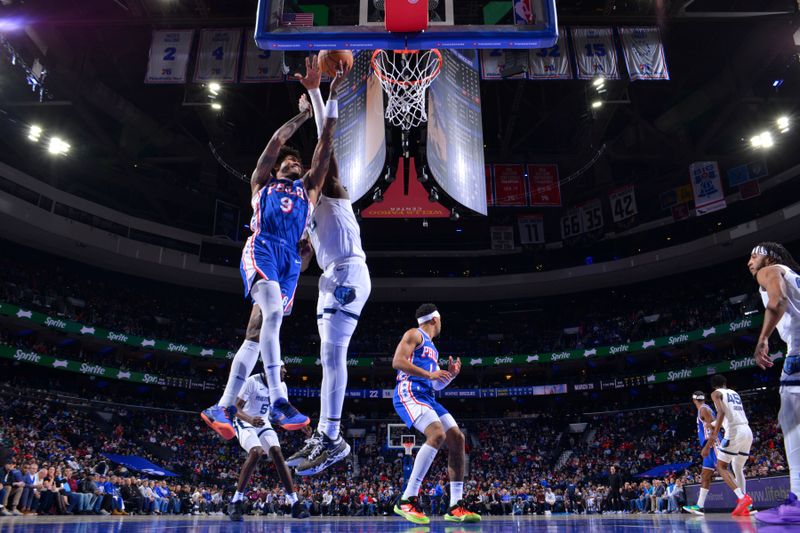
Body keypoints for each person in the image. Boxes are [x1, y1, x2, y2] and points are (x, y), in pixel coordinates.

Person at [201, 65, 347, 439]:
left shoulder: (308, 189)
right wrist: (301, 114)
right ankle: (280, 398)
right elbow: (275, 143)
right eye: (290, 163)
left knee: (255, 332)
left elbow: (324, 149)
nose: (295, 164)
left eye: (298, 163)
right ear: (278, 168)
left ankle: (223, 404)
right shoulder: (261, 183)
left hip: (290, 262)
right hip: (263, 247)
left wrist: (328, 101)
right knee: (271, 316)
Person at [288, 55, 372, 477]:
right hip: (331, 276)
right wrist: (295, 253)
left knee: (333, 355)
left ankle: (332, 437)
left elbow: (327, 143)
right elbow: (302, 266)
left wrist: (320, 91)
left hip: (348, 272)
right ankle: (328, 435)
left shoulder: (333, 190)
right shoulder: (303, 214)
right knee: (328, 356)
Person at [390, 304, 480, 525]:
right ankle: (407, 499)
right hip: (409, 391)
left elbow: (436, 385)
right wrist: (430, 374)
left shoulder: (433, 348)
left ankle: (455, 506)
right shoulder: (414, 333)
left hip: (428, 396)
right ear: (435, 320)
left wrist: (449, 376)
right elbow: (398, 362)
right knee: (437, 435)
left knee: (457, 439)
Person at [747, 242, 800, 525]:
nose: (750, 263)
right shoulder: (793, 274)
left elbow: (776, 301)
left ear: (767, 256)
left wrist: (763, 338)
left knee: (793, 427)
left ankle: (799, 500)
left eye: (753, 256)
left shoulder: (769, 270)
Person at [227, 368, 309, 521]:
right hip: (245, 421)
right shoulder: (252, 381)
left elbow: (287, 407)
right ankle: (235, 501)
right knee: (256, 451)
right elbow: (235, 408)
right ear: (270, 370)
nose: (285, 371)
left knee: (277, 452)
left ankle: (295, 503)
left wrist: (300, 423)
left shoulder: (281, 386)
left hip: (263, 423)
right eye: (281, 368)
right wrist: (250, 420)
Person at [704, 374, 753, 516]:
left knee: (721, 466)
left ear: (713, 386)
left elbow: (721, 412)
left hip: (734, 432)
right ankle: (745, 505)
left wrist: (714, 433)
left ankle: (742, 498)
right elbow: (729, 414)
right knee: (738, 467)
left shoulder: (716, 393)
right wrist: (712, 424)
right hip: (747, 431)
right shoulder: (734, 393)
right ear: (725, 383)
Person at [683, 391, 720, 515]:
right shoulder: (704, 409)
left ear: (694, 400)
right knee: (705, 475)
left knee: (726, 472)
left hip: (714, 445)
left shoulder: (703, 410)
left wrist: (708, 446)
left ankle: (746, 502)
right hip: (708, 445)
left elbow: (713, 429)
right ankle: (700, 506)